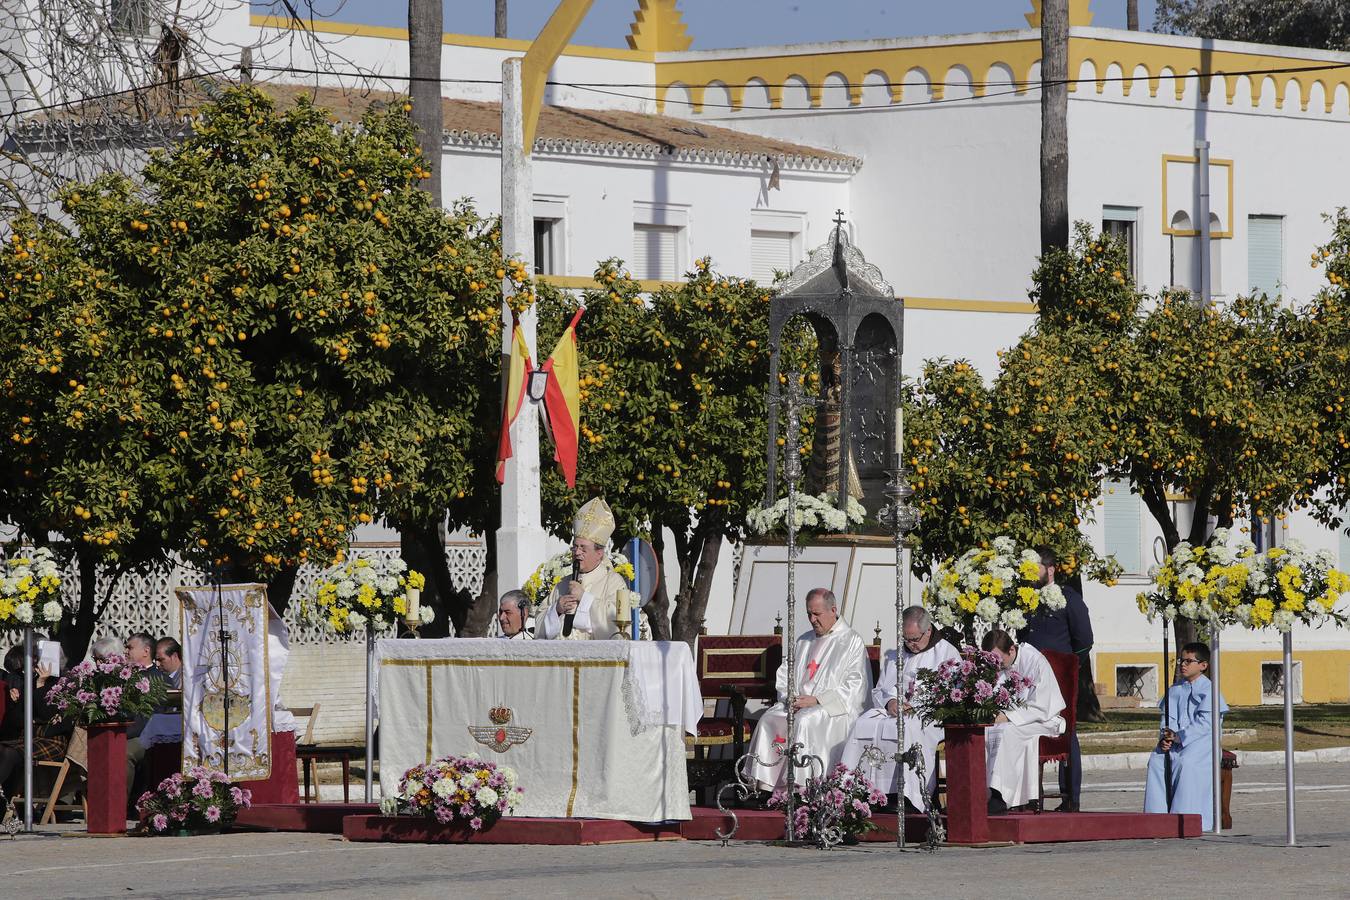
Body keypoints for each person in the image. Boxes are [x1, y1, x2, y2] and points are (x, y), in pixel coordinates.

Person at [746, 588, 871, 794]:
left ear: (833, 610)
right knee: (769, 719)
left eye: (817, 614)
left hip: (833, 709)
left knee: (805, 721)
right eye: (809, 614)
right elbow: (785, 674)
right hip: (799, 704)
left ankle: (801, 788)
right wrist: (790, 698)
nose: (812, 619)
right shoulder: (803, 641)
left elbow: (856, 686)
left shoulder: (851, 641)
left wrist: (816, 700)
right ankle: (767, 787)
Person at [840, 606, 959, 812]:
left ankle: (908, 796)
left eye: (914, 639)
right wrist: (890, 702)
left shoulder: (947, 653)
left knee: (907, 729)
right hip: (893, 712)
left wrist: (917, 705)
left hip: (929, 716)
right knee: (863, 724)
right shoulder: (897, 654)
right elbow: (880, 690)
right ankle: (863, 792)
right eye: (906, 639)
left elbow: (951, 693)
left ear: (928, 631)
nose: (910, 645)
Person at [1016, 547, 1093, 811]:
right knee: (1022, 730)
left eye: (1034, 568)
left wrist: (1069, 669)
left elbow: (1085, 640)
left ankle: (1070, 796)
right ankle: (1026, 796)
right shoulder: (1025, 599)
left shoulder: (1068, 599)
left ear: (1050, 569)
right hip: (1027, 678)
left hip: (1059, 678)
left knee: (1065, 732)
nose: (1030, 574)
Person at [535, 498, 648, 641]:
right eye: (575, 547)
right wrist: (556, 609)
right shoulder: (562, 583)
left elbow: (617, 626)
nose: (577, 552)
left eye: (583, 548)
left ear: (599, 553)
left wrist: (584, 598)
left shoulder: (613, 581)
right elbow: (539, 623)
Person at [1144, 642, 1228, 830]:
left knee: (1187, 763)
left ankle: (1186, 820)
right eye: (1182, 660)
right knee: (1157, 760)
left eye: (1189, 661)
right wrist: (1165, 738)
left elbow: (1206, 724)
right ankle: (1156, 818)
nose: (1183, 664)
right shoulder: (1175, 690)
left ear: (1203, 665)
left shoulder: (1210, 691)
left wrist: (1180, 736)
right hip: (1177, 741)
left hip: (1202, 744)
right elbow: (1168, 718)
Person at [982, 629, 1066, 814]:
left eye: (998, 659)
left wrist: (1009, 716)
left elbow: (1042, 703)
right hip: (1014, 718)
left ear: (1011, 650)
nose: (995, 665)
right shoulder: (1000, 665)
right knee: (985, 731)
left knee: (1008, 732)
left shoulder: (1034, 661)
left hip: (1043, 718)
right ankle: (983, 793)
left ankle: (1001, 796)